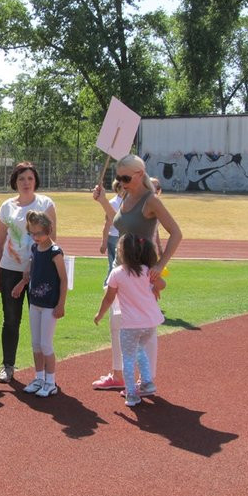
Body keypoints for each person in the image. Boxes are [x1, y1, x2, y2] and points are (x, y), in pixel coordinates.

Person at [90, 154, 182, 390]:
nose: (121, 182)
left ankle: (146, 379)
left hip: (142, 273)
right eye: (118, 178)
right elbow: (120, 225)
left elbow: (176, 233)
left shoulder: (151, 200)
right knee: (117, 323)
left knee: (144, 327)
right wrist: (102, 202)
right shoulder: (126, 196)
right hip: (120, 268)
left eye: (126, 177)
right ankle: (118, 374)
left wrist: (160, 266)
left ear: (140, 175)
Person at [0, 161, 57, 383]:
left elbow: (52, 240)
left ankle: (42, 375)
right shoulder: (6, 207)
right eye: (21, 178)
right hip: (10, 268)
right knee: (11, 320)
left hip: (39, 271)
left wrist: (39, 268)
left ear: (35, 180)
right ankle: (8, 366)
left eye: (30, 178)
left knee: (40, 322)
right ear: (15, 182)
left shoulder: (46, 203)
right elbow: (1, 241)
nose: (26, 182)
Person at [94, 234, 165, 406]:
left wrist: (100, 314)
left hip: (131, 325)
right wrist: (154, 285)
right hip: (150, 323)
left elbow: (109, 298)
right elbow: (162, 285)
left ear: (121, 253)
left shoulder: (117, 273)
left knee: (128, 357)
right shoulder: (147, 271)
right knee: (140, 350)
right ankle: (147, 382)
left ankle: (132, 393)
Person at [14, 211, 68, 398]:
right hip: (34, 302)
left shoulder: (55, 252)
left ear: (49, 230)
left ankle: (50, 382)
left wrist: (61, 304)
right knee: (35, 344)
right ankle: (39, 378)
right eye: (32, 233)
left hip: (49, 305)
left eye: (39, 233)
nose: (35, 237)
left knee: (46, 344)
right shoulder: (35, 249)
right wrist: (22, 284)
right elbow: (30, 273)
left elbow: (64, 280)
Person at [100, 180, 123, 283]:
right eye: (122, 187)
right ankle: (108, 285)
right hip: (114, 237)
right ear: (117, 189)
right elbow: (107, 224)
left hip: (124, 237)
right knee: (114, 265)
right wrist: (104, 242)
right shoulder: (114, 203)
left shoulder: (129, 201)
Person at [150, 177, 165, 256]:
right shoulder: (141, 203)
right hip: (141, 246)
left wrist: (159, 246)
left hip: (151, 246)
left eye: (158, 187)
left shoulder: (158, 205)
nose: (156, 190)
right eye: (152, 187)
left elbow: (155, 228)